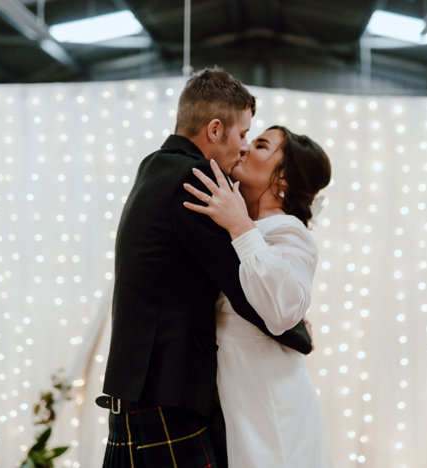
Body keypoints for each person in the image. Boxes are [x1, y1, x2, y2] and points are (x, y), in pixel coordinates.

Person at [97, 68, 313, 467]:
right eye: (243, 134)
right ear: (215, 130)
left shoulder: (155, 167)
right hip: (168, 390)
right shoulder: (194, 179)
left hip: (139, 390)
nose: (244, 146)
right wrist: (299, 332)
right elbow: (242, 287)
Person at [182, 125, 333, 467]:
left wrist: (240, 227)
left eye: (261, 145)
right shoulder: (235, 225)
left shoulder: (288, 230)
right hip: (238, 402)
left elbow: (282, 311)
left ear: (284, 180)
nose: (246, 148)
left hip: (270, 407)